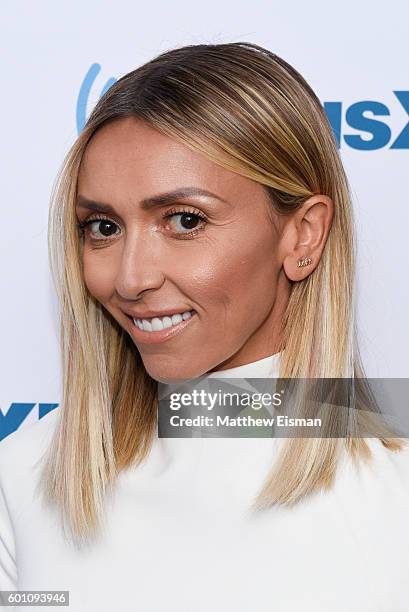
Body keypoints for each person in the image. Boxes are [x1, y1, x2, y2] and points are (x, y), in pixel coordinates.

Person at [1, 41, 408, 611]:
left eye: (185, 220)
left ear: (303, 236)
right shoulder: (24, 476)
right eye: (101, 227)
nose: (131, 278)